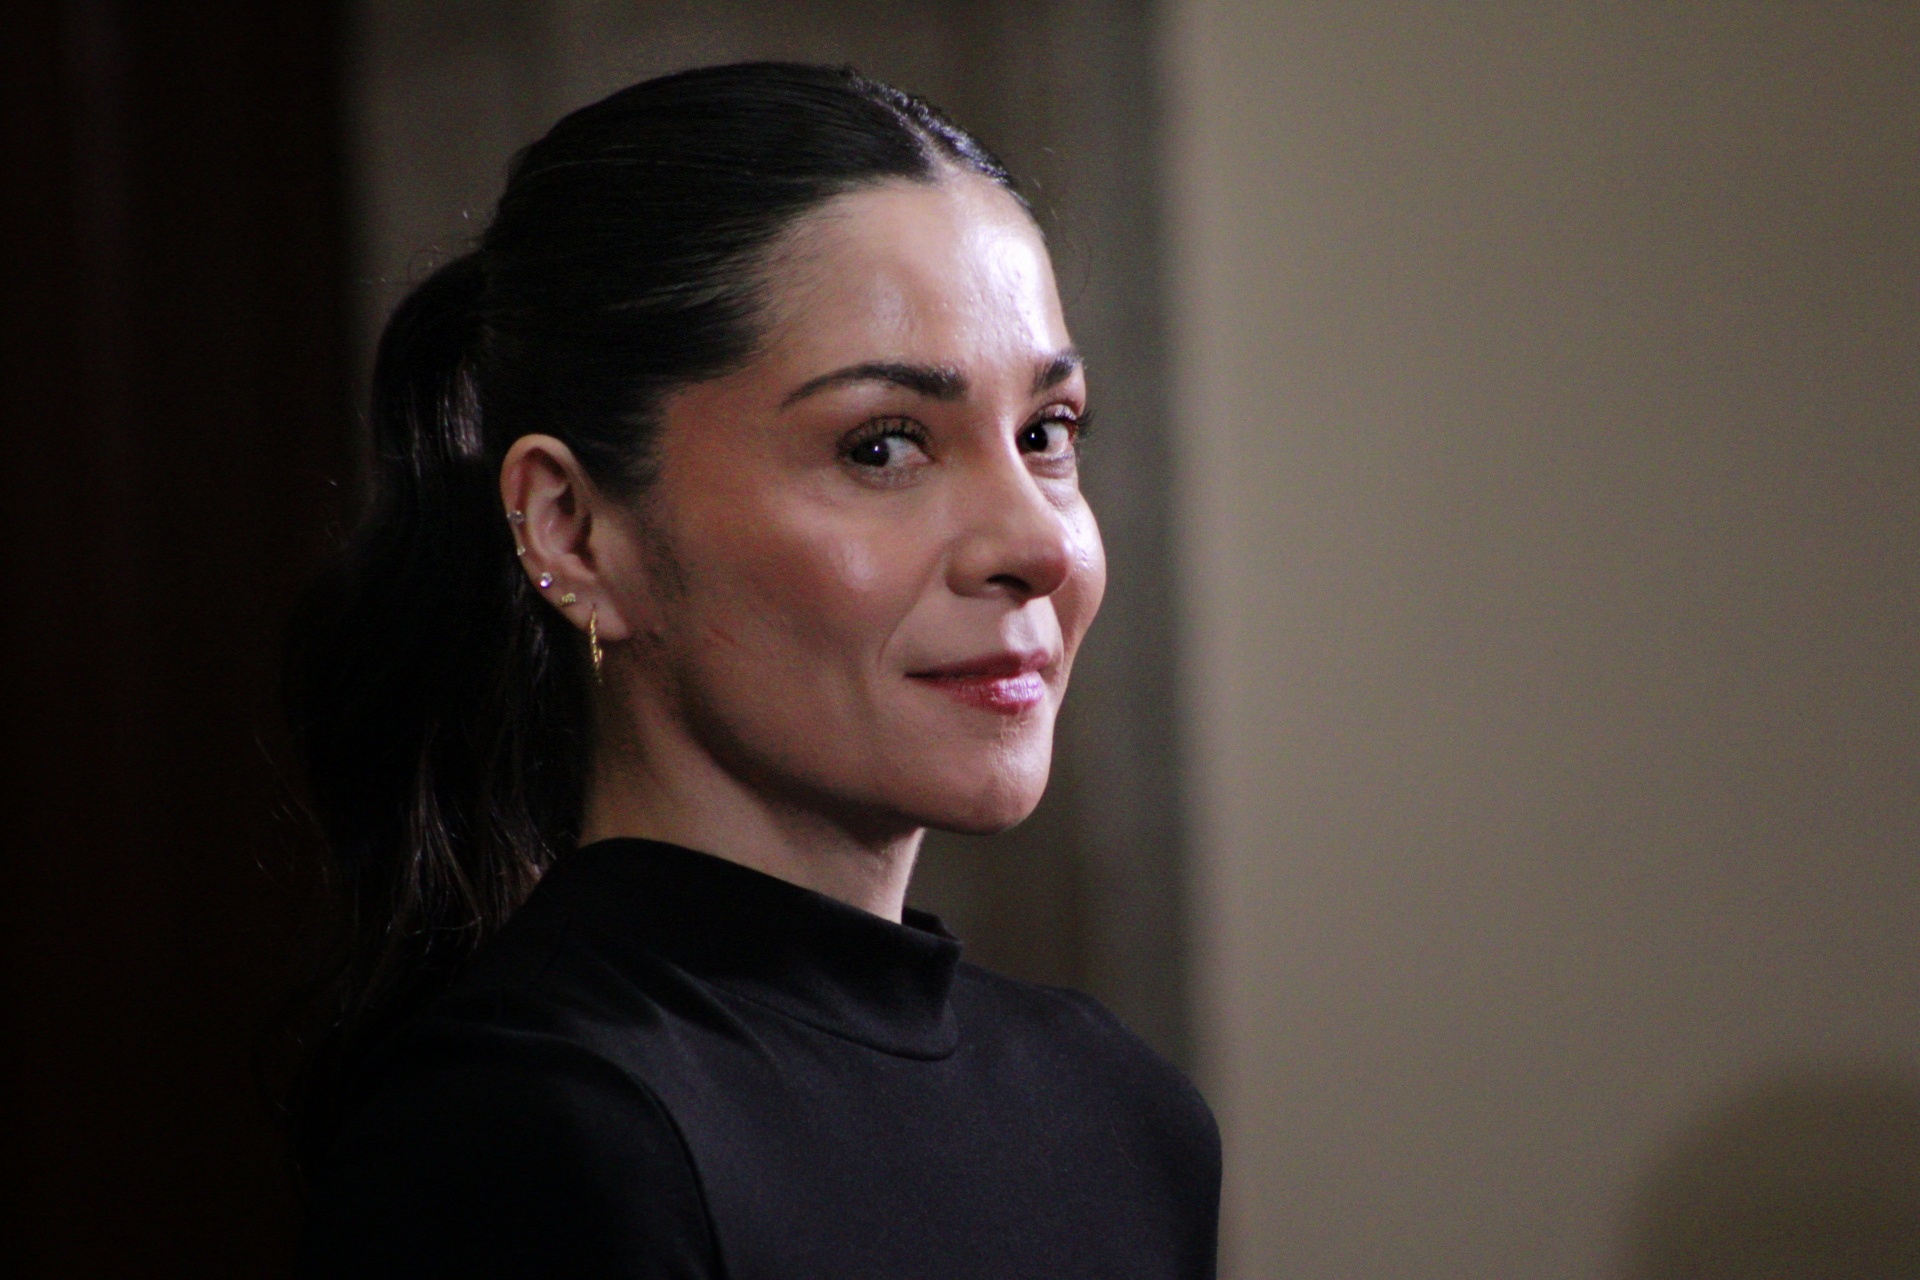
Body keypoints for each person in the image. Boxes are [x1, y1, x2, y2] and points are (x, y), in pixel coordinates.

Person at [288, 62, 1219, 1278]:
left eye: (1047, 433)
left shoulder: (1125, 1116)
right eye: (883, 446)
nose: (1038, 546)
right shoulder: (531, 1138)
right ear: (574, 530)